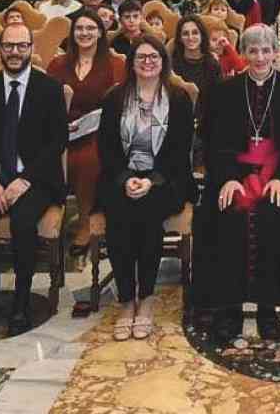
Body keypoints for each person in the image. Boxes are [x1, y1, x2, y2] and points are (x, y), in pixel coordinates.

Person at [193, 25, 280, 340]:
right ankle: (228, 308)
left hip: (277, 175)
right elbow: (211, 143)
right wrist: (228, 179)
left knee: (273, 214)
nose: (260, 57)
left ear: (276, 53)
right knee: (221, 212)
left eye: (266, 50)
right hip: (232, 175)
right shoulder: (224, 92)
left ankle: (268, 308)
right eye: (252, 50)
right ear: (244, 54)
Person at [0, 24, 69, 335]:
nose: (15, 52)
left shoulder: (49, 89)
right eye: (9, 46)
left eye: (22, 46)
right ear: (0, 50)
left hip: (37, 179)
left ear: (31, 49)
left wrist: (25, 179)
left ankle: (21, 301)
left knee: (23, 224)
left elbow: (56, 142)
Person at [98, 36, 194, 341]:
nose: (148, 62)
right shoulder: (115, 98)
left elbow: (180, 150)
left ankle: (148, 297)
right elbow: (107, 147)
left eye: (154, 57)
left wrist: (151, 180)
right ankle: (127, 301)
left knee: (148, 214)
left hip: (167, 178)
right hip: (120, 176)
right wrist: (127, 177)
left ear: (163, 61)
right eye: (141, 57)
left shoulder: (178, 98)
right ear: (132, 62)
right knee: (118, 216)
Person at [46, 11, 125, 256]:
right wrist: (61, 121)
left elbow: (120, 103)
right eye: (79, 28)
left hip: (101, 131)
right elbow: (45, 100)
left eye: (91, 28)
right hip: (63, 130)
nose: (85, 33)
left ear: (101, 32)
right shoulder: (58, 64)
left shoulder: (115, 64)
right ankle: (51, 219)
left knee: (88, 159)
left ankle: (85, 220)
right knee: (55, 156)